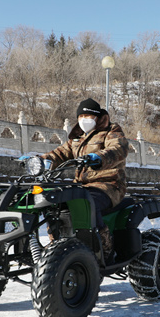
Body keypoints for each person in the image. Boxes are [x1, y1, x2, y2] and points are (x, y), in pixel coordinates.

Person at [38, 98, 129, 262]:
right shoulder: (77, 138)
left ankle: (104, 250)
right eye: (82, 116)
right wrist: (40, 161)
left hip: (108, 185)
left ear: (97, 117)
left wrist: (98, 157)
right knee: (54, 204)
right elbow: (58, 154)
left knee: (88, 204)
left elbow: (119, 148)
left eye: (89, 116)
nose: (84, 120)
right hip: (81, 186)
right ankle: (57, 246)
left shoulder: (111, 131)